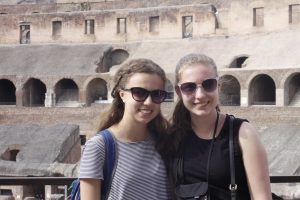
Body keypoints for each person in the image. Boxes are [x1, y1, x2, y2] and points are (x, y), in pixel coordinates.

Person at [169, 53, 272, 199]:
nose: (200, 95)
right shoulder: (173, 137)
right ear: (179, 92)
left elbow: (262, 197)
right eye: (189, 87)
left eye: (208, 84)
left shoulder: (243, 133)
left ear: (219, 86)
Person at [79, 58, 171, 200]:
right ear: (122, 95)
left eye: (156, 94)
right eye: (139, 93)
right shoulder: (99, 146)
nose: (148, 102)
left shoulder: (165, 140)